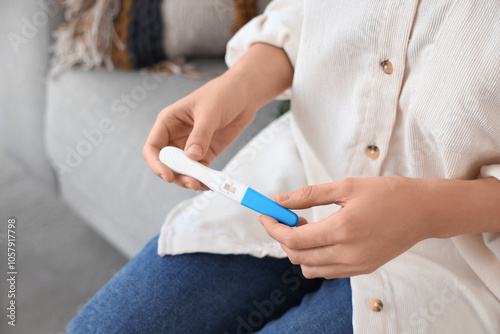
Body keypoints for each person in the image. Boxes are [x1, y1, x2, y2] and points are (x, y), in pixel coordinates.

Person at [68, 0, 500, 333]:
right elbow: (308, 16)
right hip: (302, 177)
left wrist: (426, 211)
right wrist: (239, 86)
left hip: (463, 261)